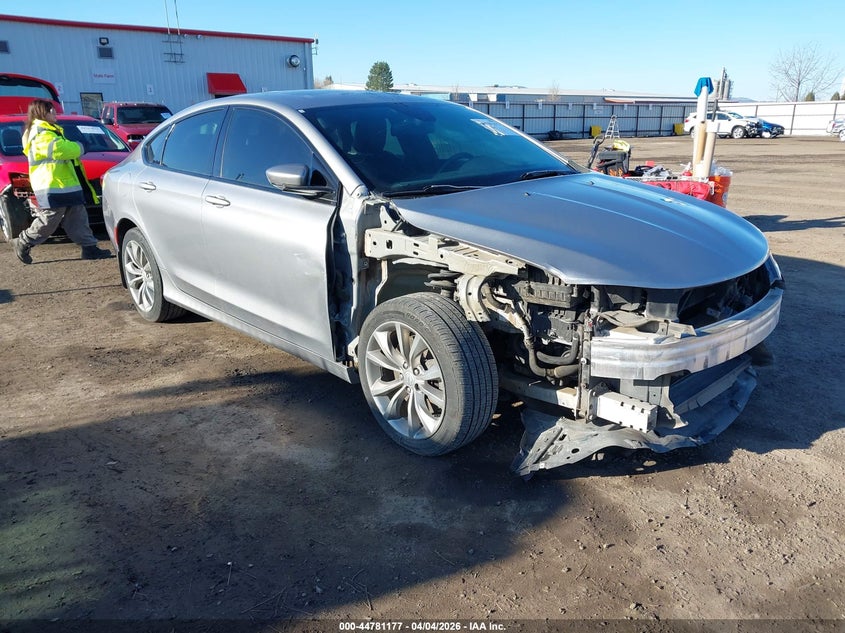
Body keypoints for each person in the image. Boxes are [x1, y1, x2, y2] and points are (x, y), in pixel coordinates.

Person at [11, 99, 112, 264]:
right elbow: (61, 150)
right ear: (43, 113)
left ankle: (90, 248)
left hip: (62, 183)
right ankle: (24, 241)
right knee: (51, 218)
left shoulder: (48, 131)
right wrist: (80, 146)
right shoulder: (41, 133)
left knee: (77, 216)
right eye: (52, 111)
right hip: (52, 184)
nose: (55, 114)